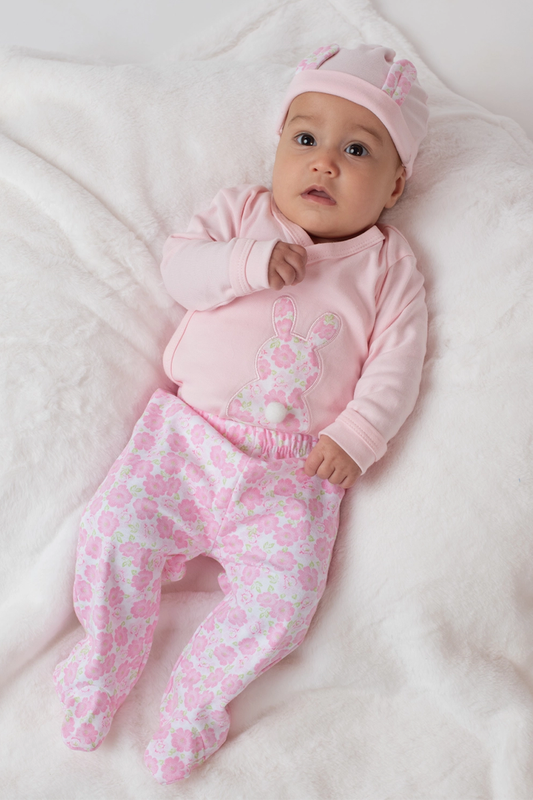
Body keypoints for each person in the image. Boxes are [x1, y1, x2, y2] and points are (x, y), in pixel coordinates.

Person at [53, 43, 429, 785]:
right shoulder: (242, 213)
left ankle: (194, 704)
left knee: (283, 602)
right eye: (305, 138)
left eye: (357, 150)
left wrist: (357, 434)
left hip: (296, 471)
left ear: (394, 184)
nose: (324, 163)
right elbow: (181, 269)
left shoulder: (388, 267)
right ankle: (99, 667)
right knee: (113, 536)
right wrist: (245, 263)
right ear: (278, 145)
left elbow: (399, 360)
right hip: (188, 438)